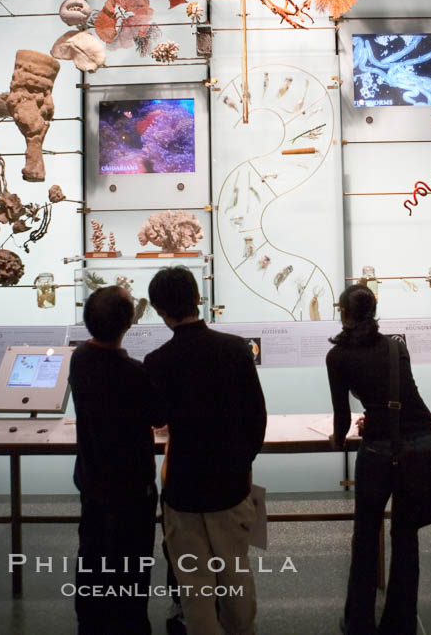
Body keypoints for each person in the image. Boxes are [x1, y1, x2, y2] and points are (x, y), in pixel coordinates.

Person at [144, 266, 267, 635]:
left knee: (194, 587)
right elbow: (256, 418)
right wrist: (242, 463)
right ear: (198, 298)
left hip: (183, 486)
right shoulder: (235, 348)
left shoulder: (157, 361)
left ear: (159, 309)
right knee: (236, 573)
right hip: (230, 484)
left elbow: (157, 417)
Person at [326, 284, 431, 635]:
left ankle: (359, 622)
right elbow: (404, 395)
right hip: (418, 445)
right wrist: (377, 415)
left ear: (344, 313)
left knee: (365, 537)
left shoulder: (338, 356)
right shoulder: (396, 346)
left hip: (378, 450)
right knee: (406, 535)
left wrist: (337, 438)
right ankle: (401, 623)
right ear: (373, 312)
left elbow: (342, 418)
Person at [69, 285, 159, 635]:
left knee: (91, 556)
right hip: (132, 487)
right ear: (128, 323)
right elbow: (157, 414)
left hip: (93, 482)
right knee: (133, 564)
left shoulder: (79, 359)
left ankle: (90, 623)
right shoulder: (135, 373)